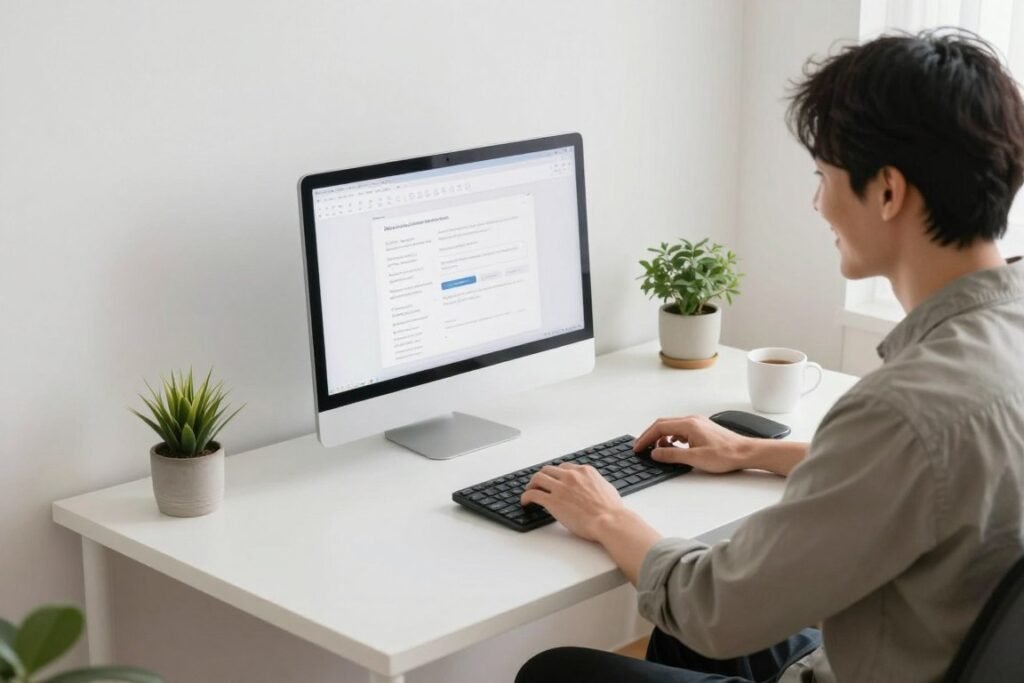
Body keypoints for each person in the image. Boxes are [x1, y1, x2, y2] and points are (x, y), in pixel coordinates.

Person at [515, 29, 1024, 683]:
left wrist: (606, 514)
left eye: (825, 176)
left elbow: (715, 606)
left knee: (558, 671)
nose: (819, 204)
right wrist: (750, 449)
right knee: (679, 641)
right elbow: (940, 482)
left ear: (889, 192)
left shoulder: (904, 408)